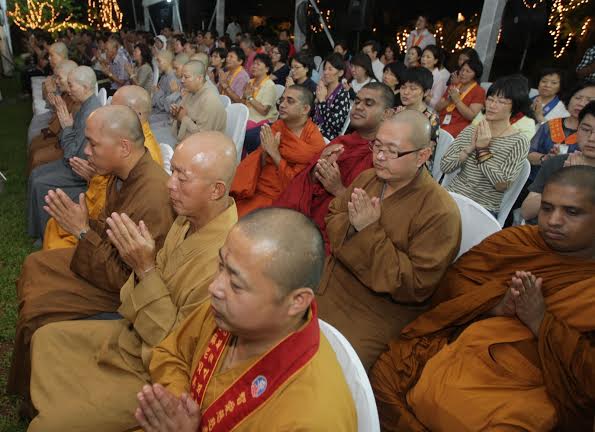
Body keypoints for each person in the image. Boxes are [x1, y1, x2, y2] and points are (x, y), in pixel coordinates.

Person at [27, 132, 239, 431]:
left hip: (159, 372)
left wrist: (145, 268)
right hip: (135, 333)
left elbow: (179, 349)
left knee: (48, 426)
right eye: (172, 171)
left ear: (216, 190)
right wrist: (141, 268)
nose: (169, 184)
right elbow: (132, 294)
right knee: (46, 339)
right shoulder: (185, 220)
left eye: (182, 177)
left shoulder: (227, 261)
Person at [371, 165, 595, 432]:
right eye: (547, 208)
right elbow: (450, 288)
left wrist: (540, 322)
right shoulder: (516, 242)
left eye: (572, 212)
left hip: (534, 384)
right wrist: (494, 305)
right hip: (466, 347)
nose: (554, 220)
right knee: (385, 377)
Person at [9, 105, 175, 411]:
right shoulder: (122, 173)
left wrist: (83, 231)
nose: (86, 151)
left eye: (93, 144)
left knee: (39, 313)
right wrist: (85, 225)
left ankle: (39, 402)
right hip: (104, 263)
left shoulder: (152, 195)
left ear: (123, 147)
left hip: (125, 293)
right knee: (35, 264)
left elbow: (126, 278)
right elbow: (110, 234)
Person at [136, 208, 357, 432]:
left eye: (237, 284)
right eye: (221, 266)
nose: (214, 287)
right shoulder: (229, 312)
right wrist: (179, 404)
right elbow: (171, 352)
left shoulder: (311, 418)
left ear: (297, 301)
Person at [317, 110, 461, 370]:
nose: (380, 157)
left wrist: (368, 231)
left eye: (392, 151)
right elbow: (334, 214)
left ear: (422, 156)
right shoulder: (368, 178)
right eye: (377, 146)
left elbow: (416, 285)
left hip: (376, 309)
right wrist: (357, 231)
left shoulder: (440, 212)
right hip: (333, 280)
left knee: (334, 368)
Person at [275, 82, 395, 252]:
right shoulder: (341, 142)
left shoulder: (387, 157)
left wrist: (338, 189)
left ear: (387, 114)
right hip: (306, 218)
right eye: (358, 101)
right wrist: (318, 170)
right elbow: (302, 183)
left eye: (369, 103)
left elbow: (374, 213)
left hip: (337, 235)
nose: (359, 107)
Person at [43, 85, 164, 250]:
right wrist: (93, 177)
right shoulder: (126, 145)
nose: (109, 111)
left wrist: (82, 231)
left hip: (108, 248)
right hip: (102, 227)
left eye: (115, 108)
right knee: (54, 225)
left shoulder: (143, 154)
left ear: (134, 115)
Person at [27, 66, 102, 240]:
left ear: (85, 87)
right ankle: (37, 230)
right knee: (36, 173)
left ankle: (44, 235)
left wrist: (66, 127)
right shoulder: (84, 105)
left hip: (79, 172)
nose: (68, 89)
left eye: (71, 85)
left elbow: (72, 154)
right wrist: (67, 127)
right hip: (72, 162)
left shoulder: (91, 112)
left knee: (40, 182)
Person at [441, 76, 531, 217]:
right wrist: (470, 148)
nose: (492, 105)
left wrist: (482, 150)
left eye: (501, 102)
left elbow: (501, 184)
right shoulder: (472, 130)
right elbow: (445, 166)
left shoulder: (519, 141)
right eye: (490, 99)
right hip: (452, 197)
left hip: (482, 208)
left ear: (515, 106)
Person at [231, 85, 325, 217]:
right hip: (255, 189)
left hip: (282, 200)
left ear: (305, 109)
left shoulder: (314, 142)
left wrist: (275, 154)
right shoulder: (278, 126)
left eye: (290, 101)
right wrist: (264, 152)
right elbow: (258, 165)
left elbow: (298, 185)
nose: (282, 104)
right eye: (282, 100)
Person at [522, 101, 595, 222]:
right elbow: (527, 212)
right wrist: (562, 180)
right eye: (586, 129)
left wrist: (577, 182)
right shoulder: (557, 162)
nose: (592, 138)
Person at [528, 82, 595, 180]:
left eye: (589, 100)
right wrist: (545, 158)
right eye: (577, 98)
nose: (581, 103)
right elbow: (529, 154)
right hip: (535, 180)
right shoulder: (550, 125)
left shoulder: (591, 137)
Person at [27, 60, 79, 173]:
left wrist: (57, 107)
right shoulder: (67, 94)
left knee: (37, 156)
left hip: (65, 145)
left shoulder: (77, 99)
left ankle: (38, 183)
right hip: (60, 137)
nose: (56, 81)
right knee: (34, 143)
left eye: (59, 78)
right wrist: (56, 106)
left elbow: (68, 127)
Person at [170, 60, 226, 142]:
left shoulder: (210, 99)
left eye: (186, 77)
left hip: (208, 147)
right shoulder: (191, 91)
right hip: (188, 141)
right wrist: (177, 115)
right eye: (182, 76)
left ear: (199, 78)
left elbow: (203, 136)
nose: (182, 80)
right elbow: (182, 116)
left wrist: (183, 118)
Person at [435, 57, 485, 137]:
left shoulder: (479, 91)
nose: (463, 73)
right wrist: (449, 100)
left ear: (476, 74)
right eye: (462, 70)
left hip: (459, 127)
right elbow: (437, 107)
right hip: (441, 121)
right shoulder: (454, 85)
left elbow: (471, 116)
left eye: (468, 71)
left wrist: (457, 100)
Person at [397, 67, 439, 147]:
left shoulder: (431, 119)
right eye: (403, 87)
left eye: (413, 89)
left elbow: (428, 150)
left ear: (426, 92)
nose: (405, 92)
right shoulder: (395, 112)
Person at [314, 53, 351, 141]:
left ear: (340, 73)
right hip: (313, 129)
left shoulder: (343, 94)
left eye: (330, 69)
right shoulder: (323, 88)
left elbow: (334, 123)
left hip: (327, 136)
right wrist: (316, 99)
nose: (325, 72)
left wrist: (322, 100)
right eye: (325, 69)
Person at [243, 53, 279, 127]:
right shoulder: (250, 82)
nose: (254, 66)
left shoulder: (269, 85)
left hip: (262, 120)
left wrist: (249, 97)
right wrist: (244, 96)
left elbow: (264, 111)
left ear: (267, 69)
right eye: (254, 63)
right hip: (247, 116)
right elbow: (243, 103)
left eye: (258, 64)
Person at [421, 44, 449, 109]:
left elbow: (436, 103)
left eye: (428, 57)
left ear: (435, 61)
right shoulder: (418, 72)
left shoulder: (439, 78)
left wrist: (423, 96)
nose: (424, 59)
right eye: (423, 56)